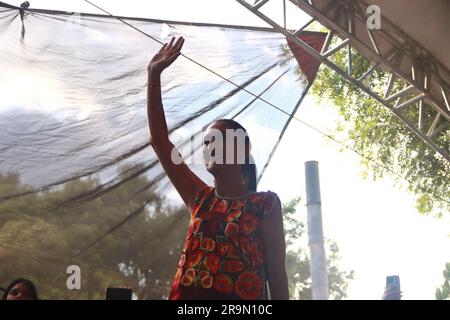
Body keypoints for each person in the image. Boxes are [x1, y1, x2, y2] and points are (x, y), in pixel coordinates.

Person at [147, 37, 289, 300]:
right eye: (206, 142)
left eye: (219, 140)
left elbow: (277, 276)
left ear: (242, 150)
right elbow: (159, 141)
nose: (210, 147)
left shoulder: (265, 204)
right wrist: (153, 75)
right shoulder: (200, 198)